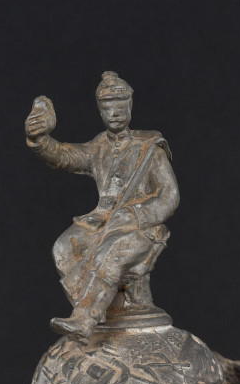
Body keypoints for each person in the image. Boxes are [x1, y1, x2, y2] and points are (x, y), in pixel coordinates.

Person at [25, 72, 180, 338]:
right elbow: (64, 156)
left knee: (110, 250)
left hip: (141, 226)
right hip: (102, 222)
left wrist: (136, 214)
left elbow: (170, 195)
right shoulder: (99, 147)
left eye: (121, 106)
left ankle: (85, 318)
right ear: (100, 111)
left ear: (130, 106)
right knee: (63, 247)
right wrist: (39, 139)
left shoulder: (149, 148)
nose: (115, 114)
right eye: (108, 108)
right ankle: (104, 305)